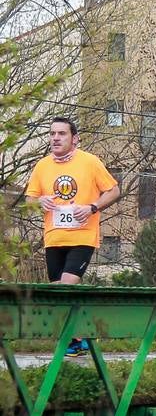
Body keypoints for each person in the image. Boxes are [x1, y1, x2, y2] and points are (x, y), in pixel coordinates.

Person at [25, 117, 120, 355]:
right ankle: (80, 338)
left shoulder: (90, 162)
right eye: (52, 134)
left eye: (61, 134)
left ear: (74, 138)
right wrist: (39, 202)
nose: (55, 138)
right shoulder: (43, 166)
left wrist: (92, 207)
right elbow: (29, 199)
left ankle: (77, 338)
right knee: (59, 295)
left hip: (82, 236)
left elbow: (114, 190)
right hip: (54, 238)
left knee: (67, 287)